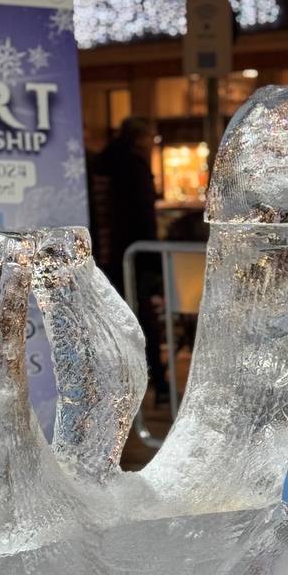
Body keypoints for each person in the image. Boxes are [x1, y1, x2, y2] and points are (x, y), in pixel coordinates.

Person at [92, 118, 165, 401]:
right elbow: (143, 218)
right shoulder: (134, 168)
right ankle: (157, 383)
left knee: (113, 325)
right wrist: (153, 261)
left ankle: (118, 388)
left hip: (105, 258)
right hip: (132, 256)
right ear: (141, 138)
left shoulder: (101, 163)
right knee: (145, 322)